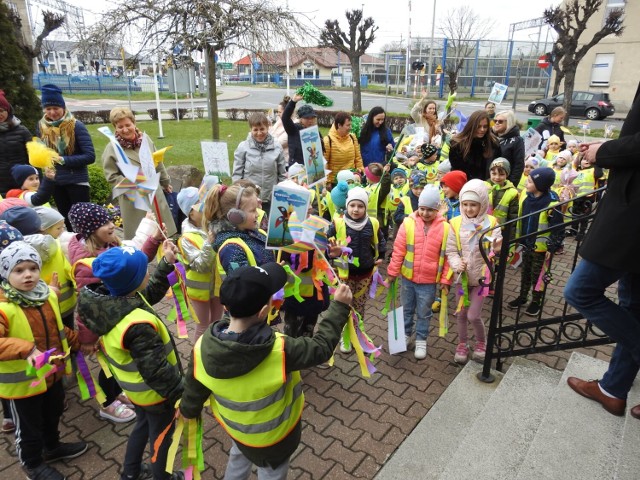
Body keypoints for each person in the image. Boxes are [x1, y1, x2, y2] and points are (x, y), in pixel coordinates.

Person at [179, 263, 353, 479]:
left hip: (238, 431)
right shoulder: (280, 349)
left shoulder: (203, 345)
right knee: (272, 474)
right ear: (264, 312)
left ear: (226, 308)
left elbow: (193, 390)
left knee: (237, 458)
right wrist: (339, 308)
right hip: (275, 440)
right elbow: (321, 347)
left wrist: (187, 411)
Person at [564, 81, 640, 420]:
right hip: (630, 203)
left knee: (581, 290)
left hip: (632, 212)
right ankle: (613, 389)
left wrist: (605, 152)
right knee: (633, 305)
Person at [78, 246, 185, 480]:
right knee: (162, 437)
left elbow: (151, 292)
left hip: (136, 390)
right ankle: (162, 476)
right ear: (134, 281)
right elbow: (156, 371)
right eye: (145, 270)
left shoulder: (113, 299)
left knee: (143, 426)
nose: (148, 272)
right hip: (155, 394)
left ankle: (131, 472)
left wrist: (166, 263)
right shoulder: (137, 325)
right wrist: (182, 394)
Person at [68, 202, 165, 424]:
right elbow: (88, 306)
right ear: (89, 229)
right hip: (105, 325)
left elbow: (134, 260)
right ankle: (108, 402)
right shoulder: (87, 263)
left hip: (119, 317)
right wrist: (86, 339)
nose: (112, 225)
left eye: (111, 220)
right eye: (104, 223)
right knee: (110, 365)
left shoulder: (107, 244)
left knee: (118, 362)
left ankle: (117, 392)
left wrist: (155, 240)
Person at [0, 241, 86, 480]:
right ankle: (33, 464)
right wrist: (27, 349)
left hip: (51, 374)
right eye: (19, 270)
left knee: (53, 412)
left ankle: (52, 447)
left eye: (32, 268)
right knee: (29, 426)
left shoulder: (47, 296)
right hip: (23, 385)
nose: (27, 275)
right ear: (6, 273)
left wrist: (79, 342)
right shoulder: (3, 307)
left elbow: (58, 328)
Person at [387, 186, 452, 359]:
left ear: (437, 209)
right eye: (422, 208)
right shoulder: (408, 223)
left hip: (429, 282)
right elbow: (399, 250)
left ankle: (421, 340)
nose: (425, 213)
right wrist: (393, 272)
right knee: (407, 309)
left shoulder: (445, 228)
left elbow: (447, 257)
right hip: (408, 278)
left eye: (430, 209)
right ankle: (406, 335)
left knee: (424, 312)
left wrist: (445, 280)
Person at [446, 180, 502, 364]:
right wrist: (456, 265)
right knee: (461, 314)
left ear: (483, 204)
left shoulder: (491, 222)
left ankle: (481, 342)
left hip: (481, 279)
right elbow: (451, 250)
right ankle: (462, 343)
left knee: (473, 315)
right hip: (461, 278)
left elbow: (497, 247)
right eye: (465, 204)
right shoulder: (454, 223)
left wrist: (496, 248)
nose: (469, 209)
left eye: (473, 204)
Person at [102, 107, 176, 240]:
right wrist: (134, 184)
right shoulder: (113, 148)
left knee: (163, 231)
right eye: (120, 127)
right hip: (133, 198)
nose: (125, 129)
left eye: (128, 125)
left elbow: (157, 161)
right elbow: (111, 176)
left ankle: (166, 254)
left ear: (134, 123)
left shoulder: (145, 140)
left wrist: (165, 182)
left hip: (153, 192)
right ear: (115, 128)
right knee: (141, 238)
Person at [327, 187, 386, 352]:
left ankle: (357, 333)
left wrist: (381, 254)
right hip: (344, 273)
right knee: (344, 305)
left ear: (365, 207)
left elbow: (380, 240)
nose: (356, 209)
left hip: (365, 273)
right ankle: (345, 336)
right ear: (347, 206)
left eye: (360, 206)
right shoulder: (337, 223)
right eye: (352, 205)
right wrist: (331, 253)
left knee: (359, 306)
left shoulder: (372, 223)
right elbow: (327, 246)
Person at [36, 84, 95, 229]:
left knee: (83, 222)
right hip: (56, 182)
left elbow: (89, 156)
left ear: (63, 107)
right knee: (66, 222)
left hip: (77, 182)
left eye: (56, 108)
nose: (52, 112)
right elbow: (40, 150)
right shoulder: (41, 127)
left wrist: (63, 160)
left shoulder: (76, 126)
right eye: (48, 109)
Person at [507, 168, 564, 317]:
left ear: (541, 184)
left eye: (531, 180)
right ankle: (523, 296)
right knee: (525, 272)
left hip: (541, 249)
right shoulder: (527, 198)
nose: (526, 181)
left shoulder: (551, 204)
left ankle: (536, 301)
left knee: (538, 276)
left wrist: (552, 248)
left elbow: (558, 228)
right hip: (526, 244)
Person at [204, 184, 275, 290]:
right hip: (256, 304)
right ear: (235, 216)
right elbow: (243, 287)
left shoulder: (258, 233)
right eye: (252, 210)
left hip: (269, 300)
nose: (257, 214)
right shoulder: (231, 248)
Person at [176, 187, 220, 342]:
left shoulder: (212, 225)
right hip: (199, 289)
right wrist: (210, 242)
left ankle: (212, 352)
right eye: (200, 204)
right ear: (191, 213)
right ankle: (197, 358)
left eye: (206, 202)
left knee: (216, 323)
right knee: (203, 325)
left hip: (216, 286)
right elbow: (201, 265)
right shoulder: (186, 238)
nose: (206, 207)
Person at [232, 112, 286, 213]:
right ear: (250, 130)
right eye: (255, 130)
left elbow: (282, 175)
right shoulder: (243, 147)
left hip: (271, 198)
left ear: (268, 128)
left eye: (262, 129)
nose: (259, 133)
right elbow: (237, 175)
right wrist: (238, 194)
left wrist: (281, 194)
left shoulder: (277, 147)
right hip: (249, 199)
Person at [0, 221, 23, 436]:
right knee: (10, 395)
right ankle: (9, 418)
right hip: (12, 370)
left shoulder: (18, 287)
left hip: (29, 368)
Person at [448, 110, 501, 181]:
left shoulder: (493, 143)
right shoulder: (458, 144)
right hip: (464, 185)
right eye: (478, 126)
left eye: (485, 127)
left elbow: (497, 167)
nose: (482, 129)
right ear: (471, 126)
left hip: (487, 185)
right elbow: (457, 170)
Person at [0, 90, 32, 198]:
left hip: (22, 183)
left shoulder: (22, 131)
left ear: (8, 111)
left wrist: (37, 180)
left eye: (1, 111)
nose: (0, 115)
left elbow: (33, 158)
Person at [324, 112, 364, 186]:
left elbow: (358, 158)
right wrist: (327, 182)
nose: (351, 127)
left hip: (351, 181)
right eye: (348, 125)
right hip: (335, 183)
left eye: (351, 124)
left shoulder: (352, 137)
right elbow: (324, 163)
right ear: (339, 125)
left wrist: (360, 171)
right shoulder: (328, 140)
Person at [281, 94, 318, 166]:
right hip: (297, 169)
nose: (310, 121)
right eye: (307, 118)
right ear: (300, 119)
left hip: (312, 168)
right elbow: (285, 118)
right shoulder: (293, 129)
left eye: (312, 118)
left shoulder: (315, 132)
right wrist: (293, 102)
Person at [492, 110, 524, 185]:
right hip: (488, 180)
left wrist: (511, 184)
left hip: (506, 182)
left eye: (500, 121)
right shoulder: (490, 137)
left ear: (509, 122)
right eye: (495, 121)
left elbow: (518, 165)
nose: (496, 123)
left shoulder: (517, 140)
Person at [486, 158, 519, 225]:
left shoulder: (512, 192)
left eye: (501, 174)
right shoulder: (483, 186)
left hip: (501, 229)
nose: (497, 177)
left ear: (507, 174)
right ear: (490, 173)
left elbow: (513, 217)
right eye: (494, 173)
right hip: (484, 228)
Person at [269, 96, 290, 163]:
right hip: (274, 159)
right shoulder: (279, 121)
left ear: (287, 112)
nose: (278, 114)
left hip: (285, 161)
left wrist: (270, 128)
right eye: (277, 112)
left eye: (280, 112)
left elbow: (277, 143)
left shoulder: (292, 126)